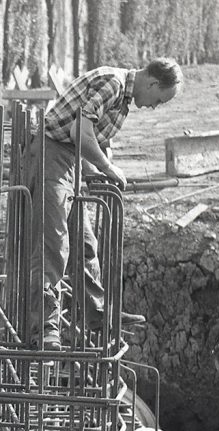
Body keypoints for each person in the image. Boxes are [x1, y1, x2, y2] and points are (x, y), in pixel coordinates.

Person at [26, 58, 183, 350]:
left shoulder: (123, 100)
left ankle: (95, 313)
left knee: (84, 244)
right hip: (50, 156)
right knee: (53, 244)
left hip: (70, 161)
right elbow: (78, 133)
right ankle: (46, 327)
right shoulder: (114, 83)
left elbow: (86, 140)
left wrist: (96, 169)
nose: (154, 107)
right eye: (159, 100)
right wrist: (108, 168)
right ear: (151, 83)